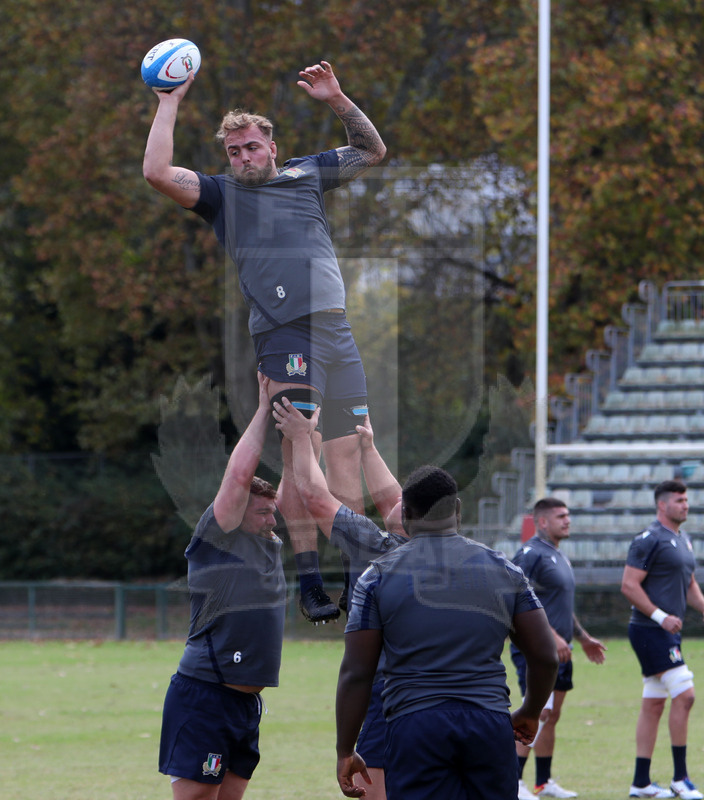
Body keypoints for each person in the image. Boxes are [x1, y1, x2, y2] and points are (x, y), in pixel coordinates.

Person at [143, 59, 387, 623]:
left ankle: (356, 580)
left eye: (251, 147)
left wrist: (337, 99)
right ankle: (307, 582)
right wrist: (168, 102)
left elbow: (372, 151)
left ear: (271, 147)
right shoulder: (221, 195)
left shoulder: (308, 174)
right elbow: (157, 171)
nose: (244, 158)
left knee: (346, 454)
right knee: (302, 450)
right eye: (234, 151)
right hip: (284, 335)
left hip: (336, 330)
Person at [334, 465, 560, 800]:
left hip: (416, 724)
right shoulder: (504, 570)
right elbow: (545, 656)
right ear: (457, 511)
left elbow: (357, 672)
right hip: (488, 721)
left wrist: (345, 749)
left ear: (407, 515)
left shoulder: (377, 578)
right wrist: (530, 711)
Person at [158, 372, 286, 800]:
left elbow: (304, 487)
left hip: (245, 705)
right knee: (198, 798)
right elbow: (237, 477)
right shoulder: (218, 539)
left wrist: (304, 433)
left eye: (273, 512)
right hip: (206, 695)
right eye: (263, 512)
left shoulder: (270, 544)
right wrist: (266, 409)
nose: (272, 519)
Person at [273, 395, 405, 800]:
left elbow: (315, 495)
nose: (395, 503)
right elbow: (391, 501)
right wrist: (368, 448)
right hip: (458, 701)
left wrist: (300, 440)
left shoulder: (382, 550)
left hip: (394, 695)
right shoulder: (470, 557)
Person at [510, 497, 607, 800]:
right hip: (537, 649)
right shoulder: (530, 553)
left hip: (562, 650)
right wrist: (550, 635)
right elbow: (515, 598)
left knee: (551, 715)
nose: (568, 521)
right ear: (542, 522)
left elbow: (561, 607)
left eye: (568, 515)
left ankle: (543, 782)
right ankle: (513, 782)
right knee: (537, 712)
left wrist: (583, 637)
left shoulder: (559, 555)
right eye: (561, 516)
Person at [621, 479, 704, 800]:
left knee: (655, 703)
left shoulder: (683, 539)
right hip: (648, 631)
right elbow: (629, 585)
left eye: (686, 500)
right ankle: (680, 779)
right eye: (679, 500)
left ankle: (640, 782)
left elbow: (688, 583)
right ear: (662, 505)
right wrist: (660, 616)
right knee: (685, 695)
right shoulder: (648, 540)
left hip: (668, 632)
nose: (686, 505)